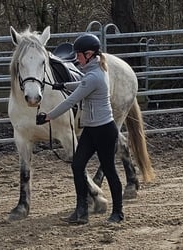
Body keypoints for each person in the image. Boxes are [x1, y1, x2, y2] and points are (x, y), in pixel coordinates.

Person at [36, 33, 124, 224]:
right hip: (91, 129)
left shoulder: (94, 75)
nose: (77, 58)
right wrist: (62, 84)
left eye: (79, 55)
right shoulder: (95, 70)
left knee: (109, 170)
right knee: (77, 166)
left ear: (90, 54)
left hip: (104, 130)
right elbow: (82, 84)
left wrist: (48, 116)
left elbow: (72, 99)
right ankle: (81, 212)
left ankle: (118, 212)